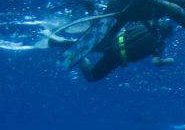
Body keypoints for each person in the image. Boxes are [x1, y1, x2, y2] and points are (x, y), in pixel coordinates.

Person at [46, 17, 174, 82]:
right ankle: (81, 58)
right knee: (91, 77)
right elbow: (156, 62)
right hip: (117, 56)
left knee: (88, 45)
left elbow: (128, 26)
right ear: (167, 35)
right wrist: (167, 61)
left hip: (115, 41)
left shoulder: (144, 26)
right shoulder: (159, 42)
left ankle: (60, 41)